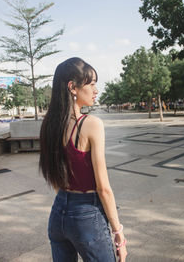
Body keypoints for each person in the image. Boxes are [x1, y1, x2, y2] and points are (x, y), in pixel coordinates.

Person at [39, 57, 127, 262]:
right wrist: (118, 234)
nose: (96, 90)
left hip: (58, 213)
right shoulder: (91, 124)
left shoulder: (49, 125)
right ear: (73, 87)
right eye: (92, 83)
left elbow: (55, 177)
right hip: (87, 216)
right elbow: (103, 188)